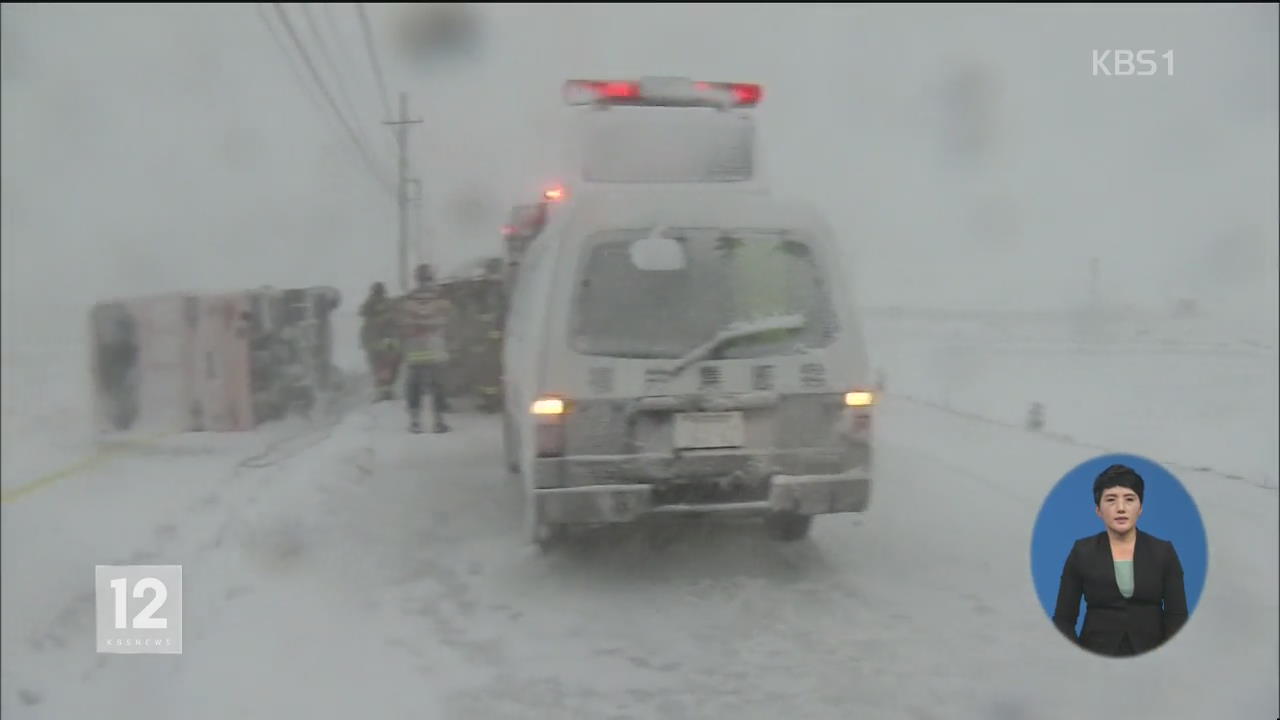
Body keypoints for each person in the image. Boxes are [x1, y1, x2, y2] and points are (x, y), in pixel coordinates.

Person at [1052, 464, 1189, 657]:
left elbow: (1178, 617)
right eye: (1110, 500)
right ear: (1098, 510)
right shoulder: (1082, 551)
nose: (1121, 508)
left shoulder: (1163, 552)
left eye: (1130, 499)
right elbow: (1063, 619)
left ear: (1140, 507)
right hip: (1096, 657)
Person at [393, 263, 455, 434]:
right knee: (438, 387)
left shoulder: (407, 301)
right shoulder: (441, 300)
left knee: (414, 387)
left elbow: (402, 325)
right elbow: (449, 322)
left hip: (414, 351)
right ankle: (439, 421)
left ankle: (415, 421)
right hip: (436, 349)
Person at [359, 282, 401, 401]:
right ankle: (386, 390)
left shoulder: (368, 306)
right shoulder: (388, 305)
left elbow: (363, 317)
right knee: (389, 364)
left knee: (378, 366)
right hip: (386, 341)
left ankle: (382, 390)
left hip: (373, 342)